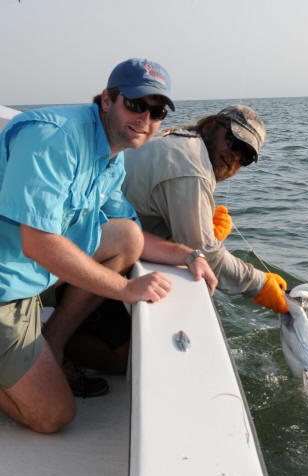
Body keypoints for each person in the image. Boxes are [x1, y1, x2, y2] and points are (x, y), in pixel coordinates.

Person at [0, 58, 216, 433]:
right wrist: (126, 288)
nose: (146, 119)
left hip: (32, 275)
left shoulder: (111, 160)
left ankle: (55, 343)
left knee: (125, 238)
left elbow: (131, 233)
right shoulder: (54, 138)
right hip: (7, 284)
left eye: (157, 112)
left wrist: (189, 254)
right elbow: (38, 243)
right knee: (53, 416)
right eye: (135, 104)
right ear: (106, 100)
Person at [122, 104, 288, 313]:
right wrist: (259, 284)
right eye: (234, 142)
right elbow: (204, 255)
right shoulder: (191, 168)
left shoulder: (182, 141)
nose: (236, 156)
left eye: (245, 156)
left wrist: (204, 225)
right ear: (210, 126)